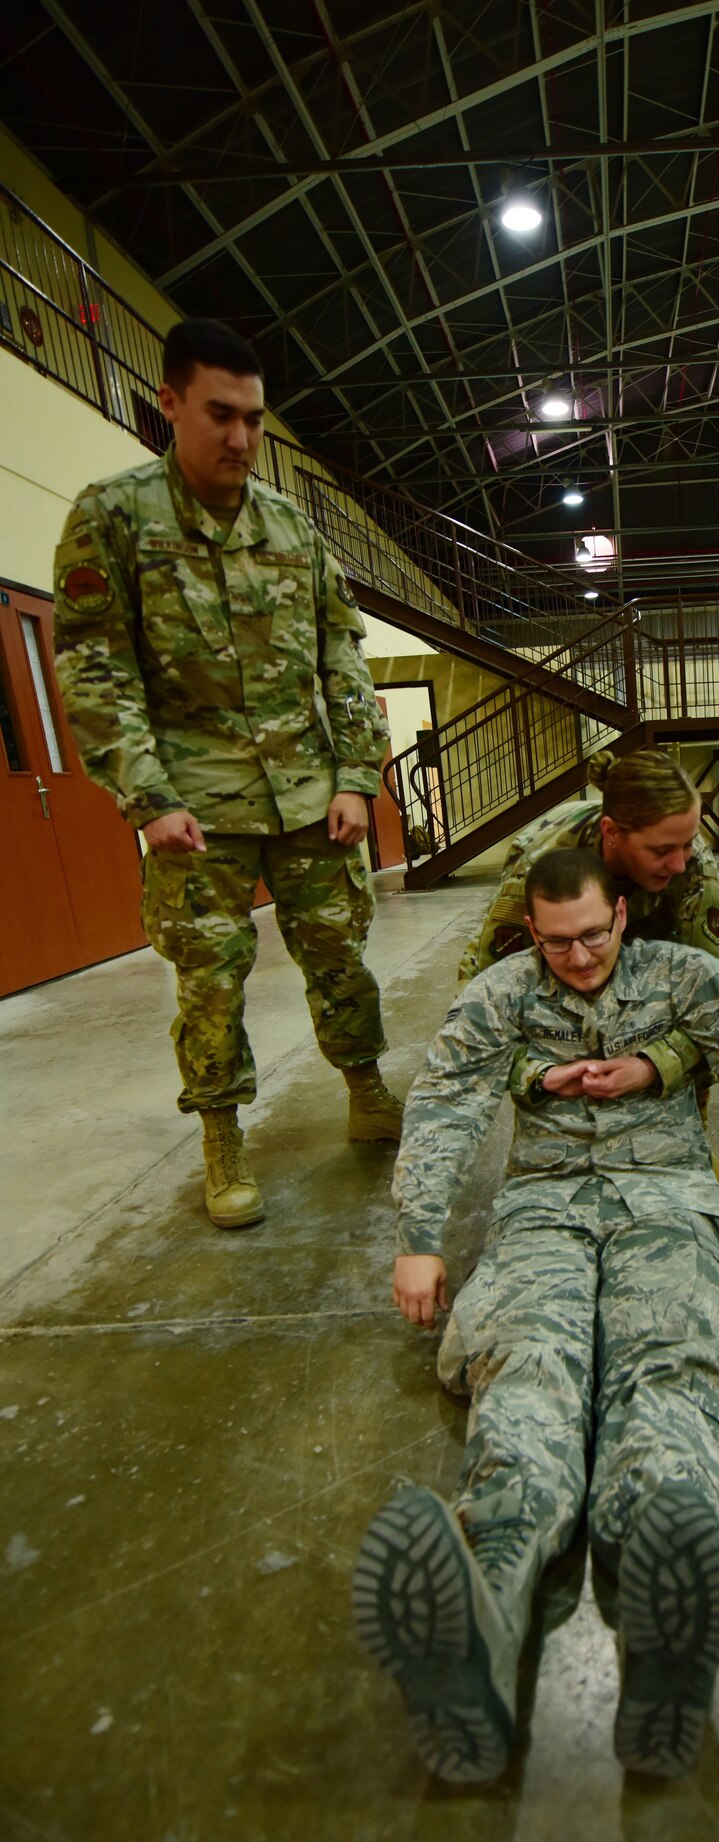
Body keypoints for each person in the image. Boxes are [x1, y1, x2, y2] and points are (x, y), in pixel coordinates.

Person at [353, 846, 719, 1783]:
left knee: (669, 1356)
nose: (577, 956)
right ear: (531, 932)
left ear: (623, 919)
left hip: (666, 1203)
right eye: (556, 942)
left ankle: (658, 1601)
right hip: (544, 1208)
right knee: (526, 1362)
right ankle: (482, 1609)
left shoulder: (687, 976)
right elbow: (443, 1102)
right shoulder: (500, 992)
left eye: (593, 934)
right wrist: (419, 1235)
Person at [52, 318, 402, 1230]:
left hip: (306, 790)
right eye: (220, 415)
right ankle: (220, 1134)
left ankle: (364, 1085)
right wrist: (146, 795)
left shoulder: (292, 527)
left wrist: (357, 775)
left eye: (253, 418)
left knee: (339, 953)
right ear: (169, 403)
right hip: (192, 801)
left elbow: (341, 656)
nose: (241, 438)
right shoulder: (113, 516)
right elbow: (94, 667)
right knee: (209, 977)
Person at [459, 746, 719, 1108]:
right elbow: (479, 995)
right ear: (612, 832)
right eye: (662, 851)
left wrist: (658, 1065)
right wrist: (536, 1074)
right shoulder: (542, 864)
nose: (680, 863)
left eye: (687, 844)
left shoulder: (687, 858)